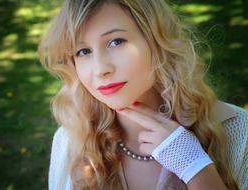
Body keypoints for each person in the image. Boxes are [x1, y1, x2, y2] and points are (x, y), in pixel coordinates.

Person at [38, 0, 248, 189]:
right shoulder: (70, 140)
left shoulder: (238, 129)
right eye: (83, 52)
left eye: (116, 41)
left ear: (156, 41)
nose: (100, 69)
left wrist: (195, 166)